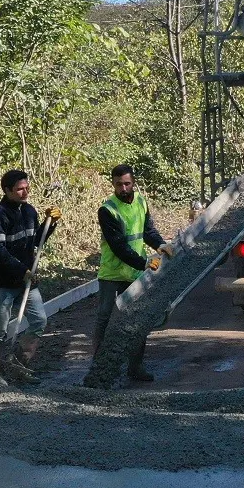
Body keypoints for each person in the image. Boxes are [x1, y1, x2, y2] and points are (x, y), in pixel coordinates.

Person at [94, 163, 168, 385]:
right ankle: (99, 367)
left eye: (127, 183)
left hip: (135, 272)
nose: (124, 188)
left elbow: (147, 231)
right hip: (112, 272)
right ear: (113, 185)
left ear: (133, 182)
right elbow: (118, 246)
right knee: (105, 317)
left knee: (139, 317)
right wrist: (144, 262)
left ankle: (135, 367)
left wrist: (160, 244)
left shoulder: (141, 202)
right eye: (119, 185)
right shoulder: (107, 210)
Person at [0, 168, 58, 380]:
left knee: (38, 321)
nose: (24, 193)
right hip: (1, 282)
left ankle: (19, 366)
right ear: (7, 191)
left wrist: (50, 224)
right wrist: (22, 270)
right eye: (19, 190)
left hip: (26, 280)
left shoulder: (29, 212)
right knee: (0, 331)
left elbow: (36, 241)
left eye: (27, 188)